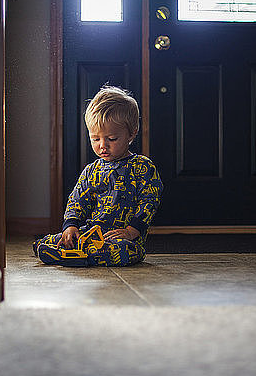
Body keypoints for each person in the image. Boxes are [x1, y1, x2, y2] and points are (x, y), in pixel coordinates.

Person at [33, 85, 163, 267]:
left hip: (124, 238)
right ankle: (74, 250)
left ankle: (78, 255)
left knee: (124, 251)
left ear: (132, 133)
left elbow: (149, 200)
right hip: (91, 233)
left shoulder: (143, 167)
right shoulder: (91, 171)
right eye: (95, 139)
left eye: (112, 139)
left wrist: (132, 230)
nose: (103, 145)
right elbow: (77, 200)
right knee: (50, 240)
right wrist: (71, 226)